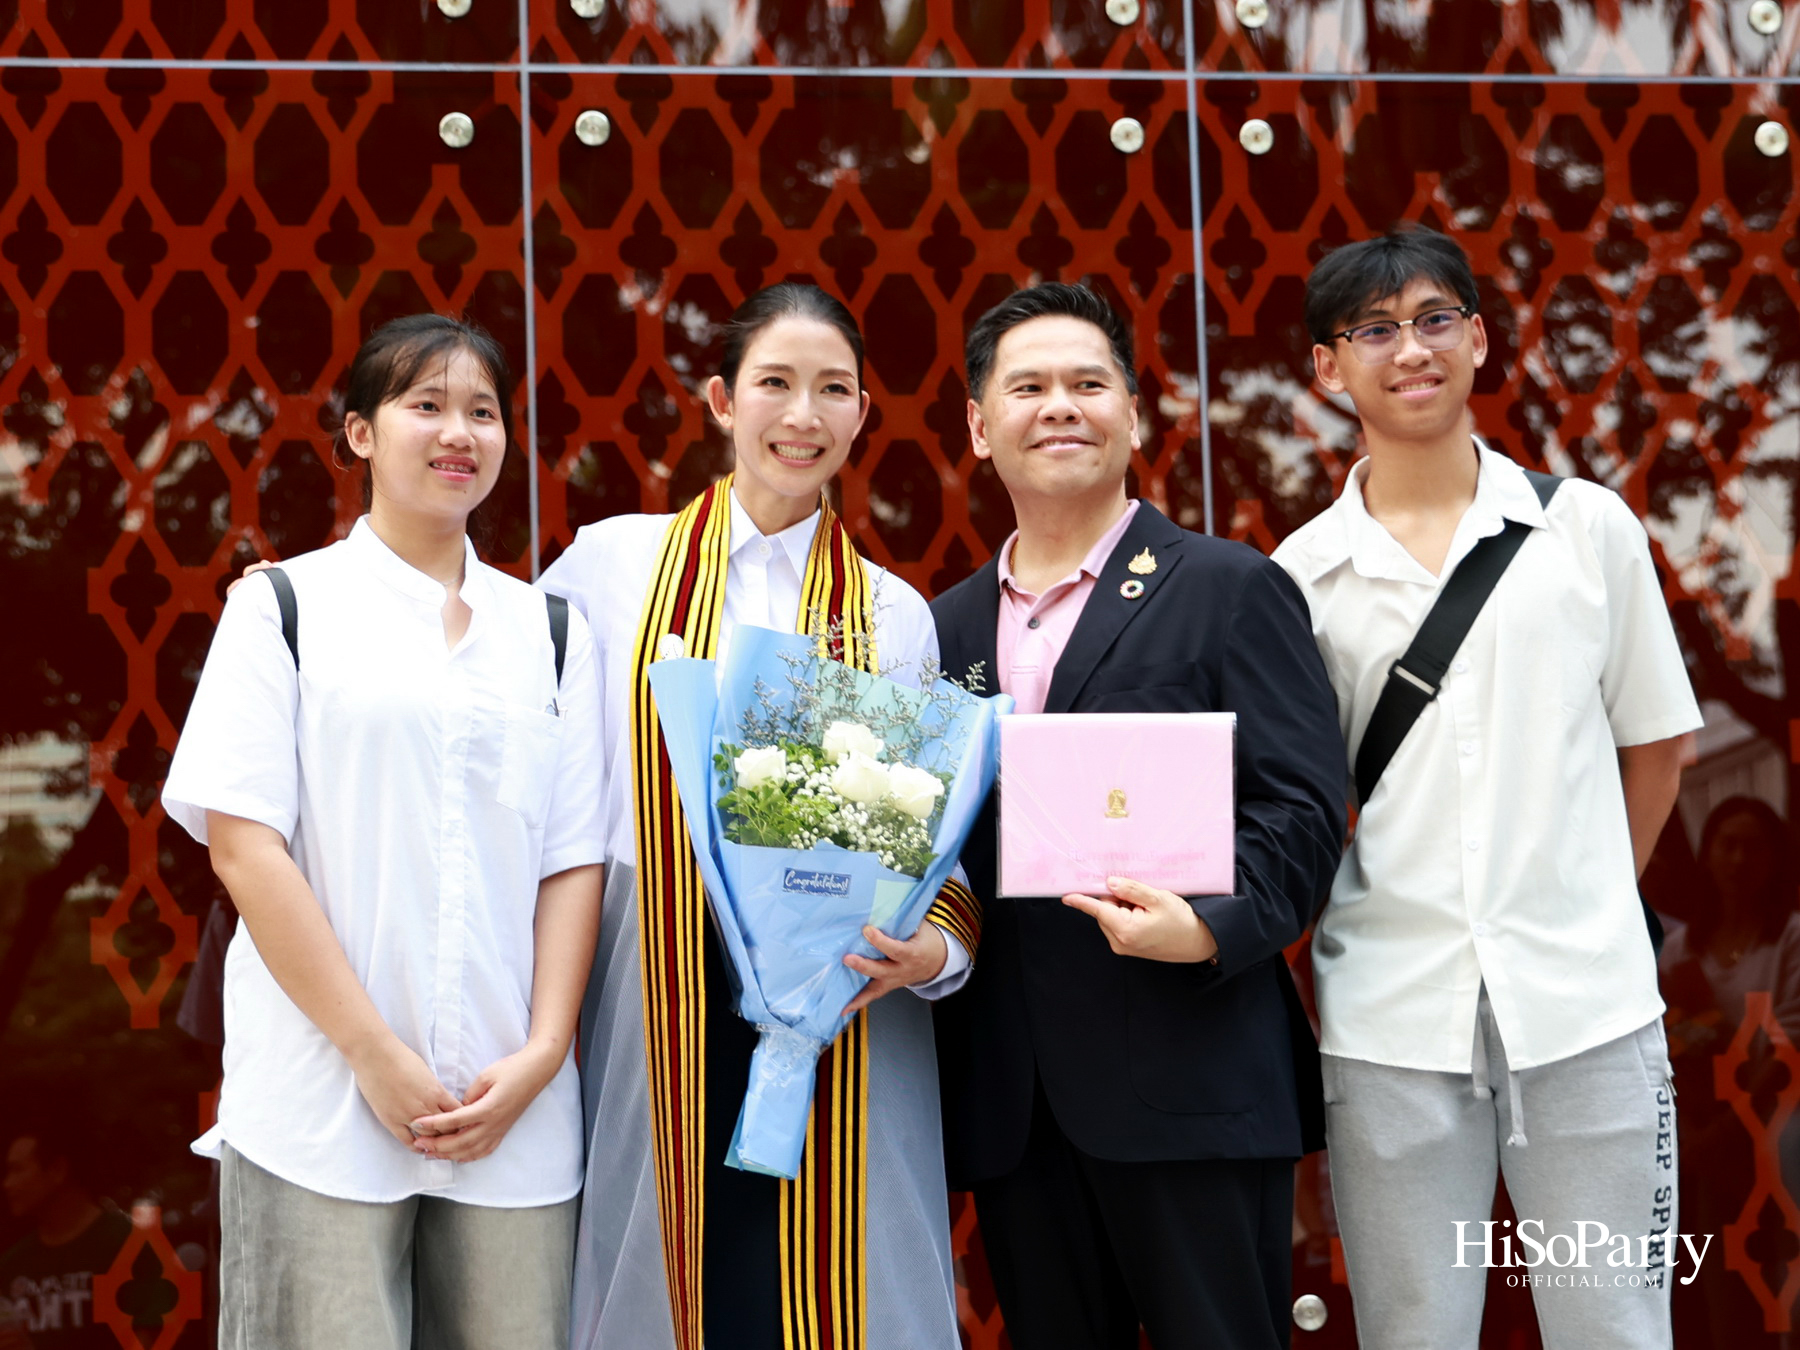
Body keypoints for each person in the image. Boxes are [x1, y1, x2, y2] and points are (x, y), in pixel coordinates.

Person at [1270, 225, 1701, 1349]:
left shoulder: (1584, 529)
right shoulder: (1299, 575)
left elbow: (1656, 745)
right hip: (1391, 1020)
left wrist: (1592, 900)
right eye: (1373, 328)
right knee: (1415, 1330)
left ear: (1479, 340)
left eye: (1434, 319)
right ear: (1327, 366)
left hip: (1591, 1013)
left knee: (1613, 1324)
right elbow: (1295, 802)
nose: (1408, 349)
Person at [540, 282, 978, 1350]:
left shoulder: (890, 611)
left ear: (864, 413)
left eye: (833, 390)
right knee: (681, 1273)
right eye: (775, 384)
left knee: (821, 1285)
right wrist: (329, 594)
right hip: (657, 982)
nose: (803, 415)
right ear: (719, 401)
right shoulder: (614, 563)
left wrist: (936, 949)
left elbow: (932, 830)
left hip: (834, 1001)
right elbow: (503, 719)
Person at [161, 315, 605, 1350]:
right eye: (427, 405)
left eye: (483, 412)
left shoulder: (549, 635)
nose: (460, 433)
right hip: (322, 1100)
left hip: (511, 1112)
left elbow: (572, 860)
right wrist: (371, 1049)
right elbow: (243, 847)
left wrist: (542, 1055)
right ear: (360, 433)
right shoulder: (283, 608)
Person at [929, 281, 1348, 1349]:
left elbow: (1300, 809)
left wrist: (1210, 923)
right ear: (980, 427)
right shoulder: (940, 630)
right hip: (1015, 1107)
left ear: (1133, 412)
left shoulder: (1227, 587)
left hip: (1189, 1080)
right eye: (1027, 387)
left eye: (1087, 382)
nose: (1059, 405)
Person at [0, 1117, 131, 1349]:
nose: (7, 1184)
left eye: (17, 1170)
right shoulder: (14, 1264)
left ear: (57, 1170)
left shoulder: (126, 1244)